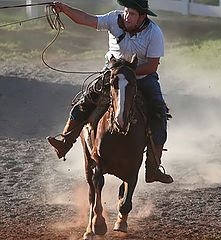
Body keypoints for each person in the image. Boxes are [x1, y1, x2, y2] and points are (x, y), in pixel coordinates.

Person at [47, 0, 174, 184]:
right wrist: (64, 9)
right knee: (85, 100)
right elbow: (85, 19)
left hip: (142, 77)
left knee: (159, 112)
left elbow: (152, 66)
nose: (127, 16)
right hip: (112, 72)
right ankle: (65, 142)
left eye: (132, 13)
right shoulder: (113, 19)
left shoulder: (154, 33)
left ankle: (153, 166)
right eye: (126, 11)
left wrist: (127, 72)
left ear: (142, 16)